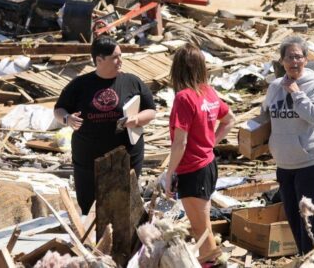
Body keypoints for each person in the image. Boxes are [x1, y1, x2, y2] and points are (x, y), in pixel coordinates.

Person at [54, 36, 156, 214]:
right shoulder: (80, 85)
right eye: (115, 57)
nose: (120, 61)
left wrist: (137, 119)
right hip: (89, 158)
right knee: (90, 205)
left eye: (120, 55)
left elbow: (151, 111)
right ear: (99, 59)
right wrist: (67, 118)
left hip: (126, 156)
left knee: (124, 204)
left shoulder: (132, 82)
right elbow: (59, 109)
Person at [165, 43, 235, 265]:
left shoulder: (184, 97)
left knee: (201, 227)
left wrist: (169, 173)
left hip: (194, 168)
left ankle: (214, 264)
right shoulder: (209, 92)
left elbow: (180, 142)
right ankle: (210, 263)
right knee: (199, 226)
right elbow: (229, 119)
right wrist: (209, 143)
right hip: (207, 164)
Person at [263, 35, 314, 255]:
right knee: (293, 218)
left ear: (306, 60)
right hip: (285, 164)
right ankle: (305, 259)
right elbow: (266, 116)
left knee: (310, 222)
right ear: (282, 61)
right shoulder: (274, 87)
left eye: (298, 57)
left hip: (311, 162)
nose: (294, 62)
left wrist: (296, 93)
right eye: (289, 57)